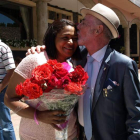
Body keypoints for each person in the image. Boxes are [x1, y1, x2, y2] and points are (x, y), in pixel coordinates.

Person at [27, 3, 140, 140]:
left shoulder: (123, 65)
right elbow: (58, 49)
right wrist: (42, 49)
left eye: (83, 23)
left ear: (98, 30)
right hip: (80, 135)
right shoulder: (76, 57)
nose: (78, 26)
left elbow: (135, 115)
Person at [4, 19, 81, 140]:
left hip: (69, 135)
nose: (71, 42)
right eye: (65, 37)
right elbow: (9, 99)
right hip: (34, 136)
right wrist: (38, 115)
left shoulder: (73, 65)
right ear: (53, 38)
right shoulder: (34, 60)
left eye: (75, 38)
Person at [0, 40, 16, 140]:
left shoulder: (3, 48)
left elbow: (11, 71)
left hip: (2, 90)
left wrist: (0, 87)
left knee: (5, 123)